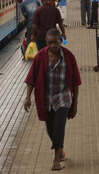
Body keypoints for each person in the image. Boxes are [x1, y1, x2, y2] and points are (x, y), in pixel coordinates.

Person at [24, 28, 81, 171]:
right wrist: (27, 98)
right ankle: (60, 149)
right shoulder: (40, 57)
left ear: (60, 41)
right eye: (49, 43)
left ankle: (56, 159)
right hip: (46, 96)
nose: (52, 46)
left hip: (63, 95)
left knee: (59, 125)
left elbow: (75, 82)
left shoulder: (68, 57)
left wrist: (75, 104)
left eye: (55, 43)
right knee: (50, 127)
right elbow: (31, 78)